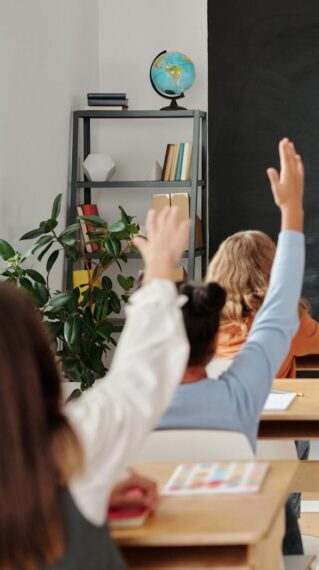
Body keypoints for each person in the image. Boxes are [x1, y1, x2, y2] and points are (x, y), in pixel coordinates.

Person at [0, 206, 190, 569]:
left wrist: (99, 486)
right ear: (39, 362)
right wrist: (159, 271)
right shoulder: (77, 445)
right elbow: (140, 373)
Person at [157, 138, 307, 555]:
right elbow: (279, 306)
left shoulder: (127, 404)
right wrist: (291, 212)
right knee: (280, 508)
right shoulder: (241, 392)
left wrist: (156, 268)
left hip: (155, 543)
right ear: (209, 341)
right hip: (239, 539)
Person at [207, 230, 319, 378]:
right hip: (270, 400)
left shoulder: (201, 322)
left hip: (216, 399)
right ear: (274, 268)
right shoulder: (285, 321)